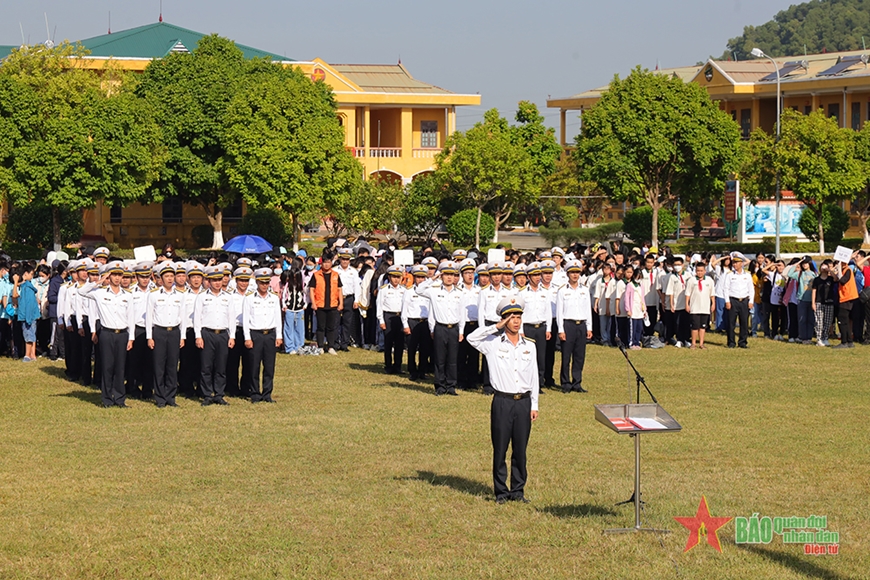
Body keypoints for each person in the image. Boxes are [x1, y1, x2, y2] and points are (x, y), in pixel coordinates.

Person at [467, 295, 539, 505]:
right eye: (511, 317)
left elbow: (533, 376)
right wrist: (494, 326)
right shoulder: (493, 344)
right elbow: (472, 338)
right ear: (504, 319)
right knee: (500, 448)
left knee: (520, 449)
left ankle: (518, 490)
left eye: (518, 316)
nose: (515, 321)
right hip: (502, 402)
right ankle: (501, 491)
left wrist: (534, 404)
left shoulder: (530, 346)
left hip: (523, 401)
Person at [77, 262, 135, 407]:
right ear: (109, 276)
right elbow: (81, 291)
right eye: (113, 275)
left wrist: (131, 337)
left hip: (122, 334)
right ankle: (107, 399)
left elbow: (131, 318)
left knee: (120, 367)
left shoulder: (127, 295)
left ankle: (120, 399)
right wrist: (100, 281)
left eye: (119, 275)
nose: (116, 278)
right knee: (107, 366)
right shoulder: (100, 292)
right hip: (107, 333)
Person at [416, 261, 463, 396]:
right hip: (440, 327)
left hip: (454, 328)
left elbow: (462, 314)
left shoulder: (459, 293)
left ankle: (451, 385)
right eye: (446, 274)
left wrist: (461, 331)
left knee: (453, 359)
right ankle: (440, 386)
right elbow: (419, 289)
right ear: (442, 275)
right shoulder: (434, 291)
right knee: (440, 358)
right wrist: (432, 278)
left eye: (452, 274)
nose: (449, 277)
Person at [146, 261, 187, 408]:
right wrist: (149, 337)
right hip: (159, 332)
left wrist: (183, 336)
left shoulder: (180, 295)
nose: (169, 279)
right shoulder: (153, 295)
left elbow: (183, 317)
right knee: (159, 365)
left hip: (174, 332)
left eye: (171, 276)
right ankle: (160, 397)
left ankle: (171, 396)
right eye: (166, 276)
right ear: (161, 279)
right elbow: (149, 317)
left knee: (172, 365)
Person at [244, 268, 283, 402]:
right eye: (262, 283)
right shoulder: (249, 298)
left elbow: (278, 317)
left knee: (269, 366)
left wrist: (279, 336)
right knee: (254, 366)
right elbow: (245, 320)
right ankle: (255, 393)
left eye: (267, 283)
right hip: (256, 334)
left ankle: (267, 393)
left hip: (270, 334)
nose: (264, 286)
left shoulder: (274, 298)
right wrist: (247, 337)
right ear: (257, 283)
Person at [555, 260, 593, 393]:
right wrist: (561, 329)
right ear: (567, 274)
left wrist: (589, 327)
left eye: (577, 272)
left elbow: (588, 309)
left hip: (581, 325)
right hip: (568, 324)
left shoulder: (585, 290)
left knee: (579, 356)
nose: (575, 275)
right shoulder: (562, 291)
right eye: (572, 272)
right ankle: (565, 383)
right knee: (566, 356)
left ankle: (577, 382)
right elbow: (559, 311)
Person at [519, 262, 551, 387]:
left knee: (541, 357)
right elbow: (520, 313)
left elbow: (548, 311)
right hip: (528, 327)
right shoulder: (522, 293)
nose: (538, 277)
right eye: (534, 275)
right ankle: (526, 382)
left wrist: (548, 328)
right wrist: (521, 330)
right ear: (528, 277)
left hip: (541, 327)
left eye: (539, 274)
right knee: (527, 357)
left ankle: (539, 382)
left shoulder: (544, 292)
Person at [309, 252, 342, 355]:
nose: (326, 265)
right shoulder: (316, 275)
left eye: (328, 262)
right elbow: (311, 289)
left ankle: (331, 346)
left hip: (332, 304)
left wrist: (341, 303)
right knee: (320, 327)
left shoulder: (336, 275)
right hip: (320, 304)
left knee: (331, 327)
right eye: (324, 263)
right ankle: (321, 346)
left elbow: (339, 289)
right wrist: (313, 303)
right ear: (321, 264)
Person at [227, 267, 254, 395]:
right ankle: (232, 388)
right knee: (233, 361)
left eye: (246, 280)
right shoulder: (230, 295)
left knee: (249, 360)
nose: (243, 283)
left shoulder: (253, 295)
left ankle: (246, 388)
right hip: (235, 330)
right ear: (236, 281)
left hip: (249, 330)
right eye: (241, 280)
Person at [402, 265, 431, 381]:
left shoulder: (429, 291)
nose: (420, 280)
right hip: (412, 321)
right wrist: (405, 325)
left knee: (425, 348)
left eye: (423, 277)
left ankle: (422, 371)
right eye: (418, 277)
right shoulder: (408, 291)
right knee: (412, 348)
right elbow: (404, 309)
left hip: (425, 322)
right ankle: (412, 371)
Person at [376, 265, 407, 374]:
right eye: (393, 277)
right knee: (388, 342)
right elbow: (379, 305)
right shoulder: (384, 290)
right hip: (388, 316)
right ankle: (388, 366)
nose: (396, 279)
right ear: (389, 277)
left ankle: (397, 366)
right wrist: (381, 320)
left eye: (398, 277)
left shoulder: (404, 290)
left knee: (399, 343)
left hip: (400, 317)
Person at [457, 260, 482, 390]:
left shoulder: (479, 290)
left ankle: (472, 380)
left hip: (475, 324)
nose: (470, 275)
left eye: (472, 272)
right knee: (461, 353)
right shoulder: (458, 290)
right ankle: (461, 380)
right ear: (462, 274)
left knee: (474, 354)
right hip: (463, 325)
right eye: (467, 273)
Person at [723, 252, 753, 349]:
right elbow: (726, 288)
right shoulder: (730, 275)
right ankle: (731, 342)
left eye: (736, 263)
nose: (734, 265)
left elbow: (751, 289)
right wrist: (727, 301)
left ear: (741, 263)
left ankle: (742, 342)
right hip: (733, 300)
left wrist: (751, 301)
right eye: (733, 263)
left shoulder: (747, 275)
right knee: (731, 323)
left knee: (744, 322)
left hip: (744, 300)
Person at [334, 249, 360, 351]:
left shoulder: (353, 271)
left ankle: (344, 344)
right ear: (340, 259)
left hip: (349, 298)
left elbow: (356, 286)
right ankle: (335, 343)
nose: (345, 261)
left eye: (347, 259)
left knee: (347, 322)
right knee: (336, 322)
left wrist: (356, 300)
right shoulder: (335, 270)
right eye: (343, 259)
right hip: (337, 298)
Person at [686, 261, 715, 349]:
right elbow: (688, 293)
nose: (700, 272)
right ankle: (693, 343)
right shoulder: (691, 280)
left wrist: (713, 304)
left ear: (705, 271)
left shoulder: (709, 280)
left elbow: (712, 294)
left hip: (705, 307)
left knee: (703, 326)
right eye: (698, 271)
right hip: (695, 307)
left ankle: (701, 343)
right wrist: (687, 304)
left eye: (701, 271)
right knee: (695, 326)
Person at [832, 256, 858, 348]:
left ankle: (844, 342)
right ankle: (849, 341)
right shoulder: (844, 270)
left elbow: (842, 281)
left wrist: (838, 269)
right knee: (845, 320)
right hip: (846, 297)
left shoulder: (847, 270)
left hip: (847, 298)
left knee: (842, 320)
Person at [812, 260, 837, 347]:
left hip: (829, 302)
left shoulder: (830, 279)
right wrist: (813, 303)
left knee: (828, 321)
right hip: (819, 302)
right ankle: (819, 338)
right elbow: (814, 291)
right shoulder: (817, 280)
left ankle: (825, 338)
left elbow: (836, 278)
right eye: (822, 266)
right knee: (819, 321)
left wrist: (829, 270)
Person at [622, 267, 645, 350]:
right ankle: (631, 343)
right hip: (633, 310)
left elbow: (642, 298)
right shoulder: (630, 285)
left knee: (639, 327)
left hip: (640, 310)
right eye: (637, 277)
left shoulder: (641, 286)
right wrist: (628, 309)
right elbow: (626, 298)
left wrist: (644, 309)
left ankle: (637, 342)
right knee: (633, 328)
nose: (639, 279)